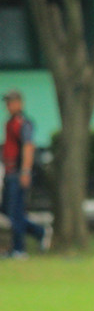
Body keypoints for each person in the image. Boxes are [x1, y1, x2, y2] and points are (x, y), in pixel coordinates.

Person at [1, 89, 50, 258]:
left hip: (18, 173)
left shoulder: (23, 123)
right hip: (9, 173)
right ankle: (39, 232)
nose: (8, 106)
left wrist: (25, 171)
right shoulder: (10, 123)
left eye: (11, 102)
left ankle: (19, 249)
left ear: (19, 103)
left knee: (16, 212)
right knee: (8, 210)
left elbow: (28, 147)